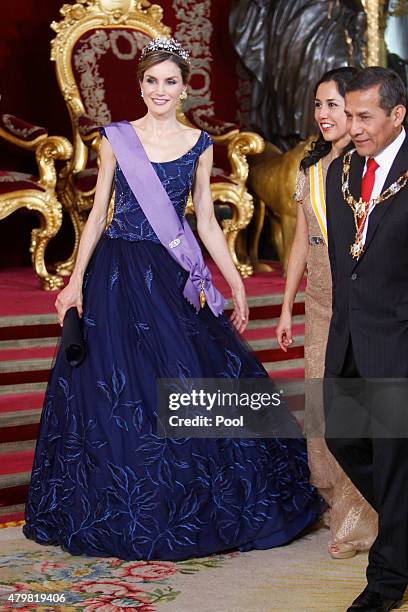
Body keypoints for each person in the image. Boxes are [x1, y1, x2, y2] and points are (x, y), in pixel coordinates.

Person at [23, 38, 321, 561]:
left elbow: (205, 219)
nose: (160, 90)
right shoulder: (115, 138)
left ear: (185, 87)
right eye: (151, 81)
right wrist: (73, 281)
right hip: (116, 271)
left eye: (170, 81)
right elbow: (96, 215)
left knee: (186, 376)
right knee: (113, 384)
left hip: (172, 273)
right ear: (140, 86)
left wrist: (235, 280)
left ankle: (191, 497)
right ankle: (125, 498)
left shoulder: (200, 144)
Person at [277, 68, 377, 560]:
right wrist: (286, 304)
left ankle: (362, 516)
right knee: (319, 407)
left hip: (358, 302)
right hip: (318, 302)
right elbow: (300, 240)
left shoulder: (368, 168)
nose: (323, 114)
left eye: (333, 104)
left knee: (353, 405)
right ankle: (336, 501)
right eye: (318, 105)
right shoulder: (310, 170)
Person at [324, 67, 407, 611]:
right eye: (348, 115)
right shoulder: (339, 173)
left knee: (395, 458)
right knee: (339, 435)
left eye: (363, 117)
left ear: (397, 115)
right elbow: (342, 262)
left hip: (399, 339)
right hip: (348, 337)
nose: (351, 127)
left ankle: (386, 582)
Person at [229, 0, 365, 149]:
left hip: (330, 20)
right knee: (298, 88)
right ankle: (299, 142)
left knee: (335, 75)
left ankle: (325, 144)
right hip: (294, 21)